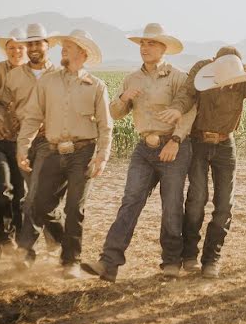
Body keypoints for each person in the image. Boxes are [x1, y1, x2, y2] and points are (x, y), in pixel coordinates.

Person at [82, 23, 195, 281]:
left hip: (173, 147)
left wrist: (175, 140)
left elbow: (190, 111)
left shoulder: (178, 77)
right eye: (143, 43)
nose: (145, 48)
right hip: (144, 148)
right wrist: (124, 98)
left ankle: (171, 262)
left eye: (151, 43)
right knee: (130, 201)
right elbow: (116, 113)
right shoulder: (132, 78)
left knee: (172, 205)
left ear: (164, 48)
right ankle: (108, 263)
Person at [159, 46, 246, 279]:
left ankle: (211, 259)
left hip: (225, 145)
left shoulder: (243, 78)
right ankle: (189, 255)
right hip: (198, 142)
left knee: (224, 204)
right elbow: (187, 94)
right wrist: (176, 109)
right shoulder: (201, 70)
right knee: (197, 198)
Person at [16, 29, 112, 279]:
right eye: (63, 47)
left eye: (68, 47)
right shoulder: (47, 82)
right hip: (52, 150)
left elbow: (105, 125)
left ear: (82, 53)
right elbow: (33, 117)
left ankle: (71, 261)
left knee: (74, 208)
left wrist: (101, 156)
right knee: (39, 202)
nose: (63, 50)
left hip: (84, 152)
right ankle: (40, 247)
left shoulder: (97, 86)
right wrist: (22, 147)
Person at [0, 23, 64, 254]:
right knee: (40, 196)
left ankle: (25, 251)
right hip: (23, 141)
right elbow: (2, 103)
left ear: (48, 45)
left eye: (38, 43)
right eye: (30, 43)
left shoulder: (60, 75)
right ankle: (60, 238)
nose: (34, 48)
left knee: (34, 196)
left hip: (49, 142)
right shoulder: (14, 76)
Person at [0, 27, 27, 252]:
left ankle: (16, 241)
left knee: (21, 195)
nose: (16, 51)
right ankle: (0, 235)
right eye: (11, 48)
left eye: (20, 47)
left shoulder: (32, 75)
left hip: (23, 143)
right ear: (6, 50)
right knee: (2, 189)